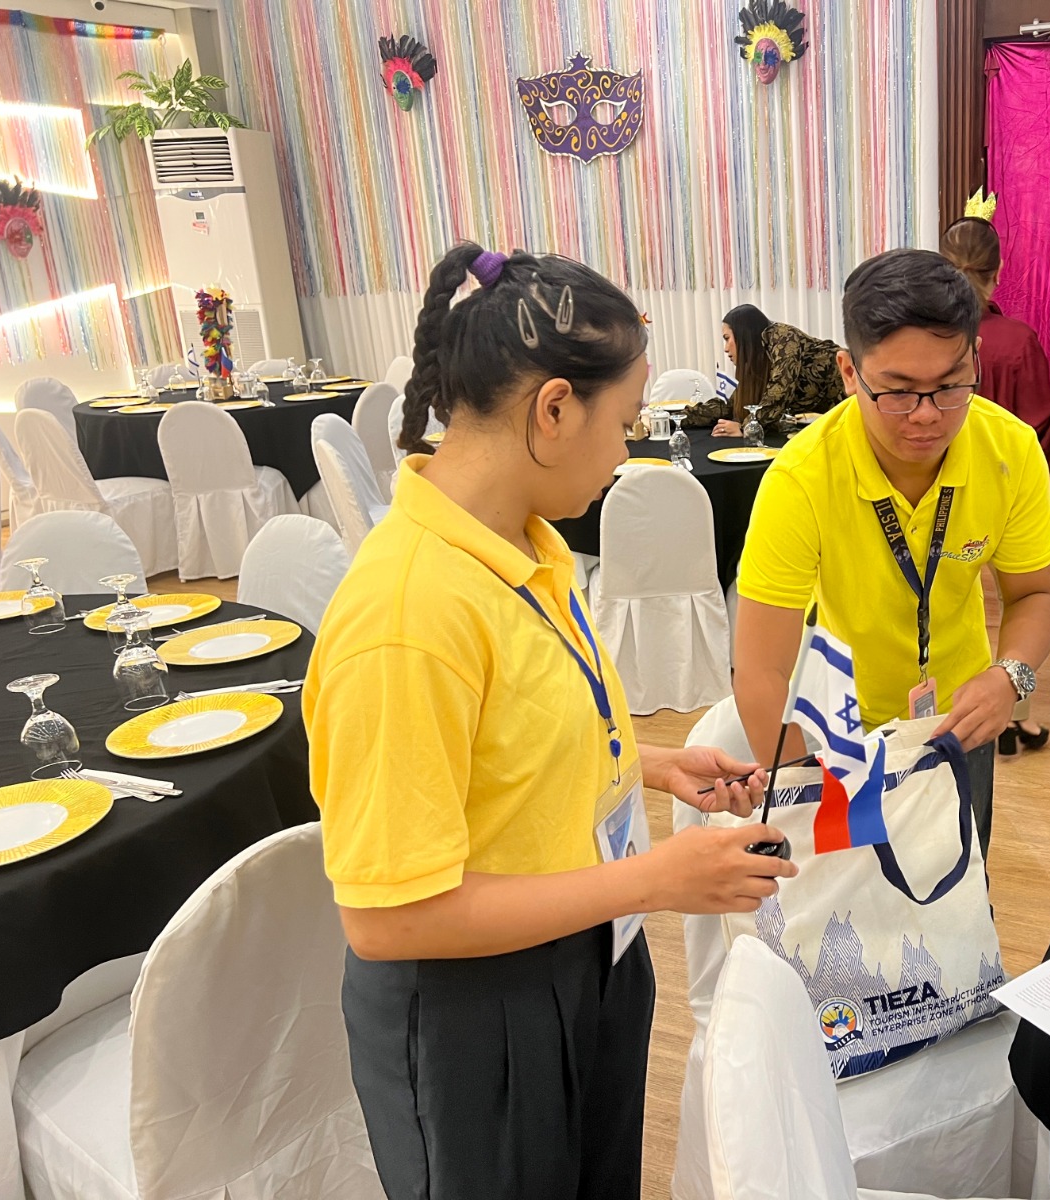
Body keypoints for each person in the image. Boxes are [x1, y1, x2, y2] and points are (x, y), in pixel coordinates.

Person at [303, 242, 796, 1200]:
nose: (628, 452)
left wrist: (650, 763)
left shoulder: (526, 541)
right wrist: (656, 877)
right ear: (556, 409)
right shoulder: (406, 614)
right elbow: (387, 918)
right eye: (625, 422)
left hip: (583, 945)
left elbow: (513, 733)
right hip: (474, 1011)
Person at [731, 249, 1050, 852]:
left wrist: (1008, 677)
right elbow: (760, 668)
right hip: (842, 728)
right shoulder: (802, 478)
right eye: (898, 391)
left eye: (950, 386)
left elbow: (1033, 594)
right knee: (853, 891)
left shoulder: (1009, 451)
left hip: (960, 720)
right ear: (849, 372)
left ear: (975, 359)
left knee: (961, 882)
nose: (927, 417)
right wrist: (804, 792)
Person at [941, 209, 1050, 756]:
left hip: (938, 492)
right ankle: (1014, 714)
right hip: (1008, 491)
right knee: (1023, 599)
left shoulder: (931, 340)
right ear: (997, 273)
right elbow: (1040, 430)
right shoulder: (1017, 341)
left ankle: (957, 706)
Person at [684, 303, 845, 435]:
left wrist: (746, 427)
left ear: (743, 335)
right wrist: (678, 419)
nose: (725, 349)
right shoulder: (759, 360)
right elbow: (729, 407)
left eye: (727, 338)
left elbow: (779, 392)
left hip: (852, 398)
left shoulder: (783, 338)